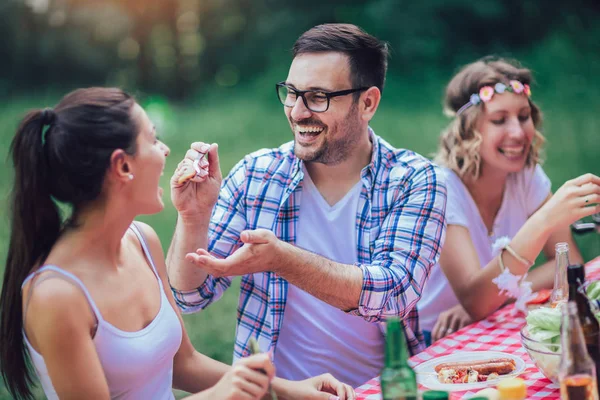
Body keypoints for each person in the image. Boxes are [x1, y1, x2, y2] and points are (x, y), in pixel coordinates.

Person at [0, 87, 354, 399]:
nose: (165, 150)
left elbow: (184, 364)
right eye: (153, 140)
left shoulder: (141, 241)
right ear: (123, 167)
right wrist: (220, 396)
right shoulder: (56, 296)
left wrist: (291, 391)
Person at [167, 23, 447, 388]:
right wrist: (193, 217)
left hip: (381, 391)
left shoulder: (415, 180)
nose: (298, 112)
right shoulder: (256, 174)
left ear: (368, 103)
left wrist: (282, 259)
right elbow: (191, 295)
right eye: (292, 93)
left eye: (318, 97)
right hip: (274, 393)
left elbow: (394, 295)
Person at [417, 57, 600, 345]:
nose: (517, 132)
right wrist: (544, 220)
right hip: (437, 338)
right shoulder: (438, 189)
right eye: (499, 120)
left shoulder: (525, 175)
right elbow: (476, 301)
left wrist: (501, 295)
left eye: (523, 116)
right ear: (468, 129)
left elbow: (568, 263)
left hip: (494, 322)